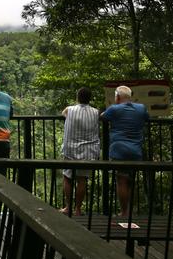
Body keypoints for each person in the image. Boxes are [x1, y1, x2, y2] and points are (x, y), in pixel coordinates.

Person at [101, 85, 149, 217]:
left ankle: (124, 212)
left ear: (117, 97)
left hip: (119, 150)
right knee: (130, 181)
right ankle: (130, 211)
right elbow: (147, 118)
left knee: (121, 180)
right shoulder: (141, 108)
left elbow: (103, 117)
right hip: (136, 150)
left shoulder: (114, 109)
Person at [60, 87, 100, 216]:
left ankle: (68, 207)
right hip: (88, 150)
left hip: (70, 149)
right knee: (82, 179)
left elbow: (63, 113)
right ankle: (78, 209)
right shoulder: (96, 112)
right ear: (90, 99)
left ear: (77, 97)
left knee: (67, 177)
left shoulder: (70, 110)